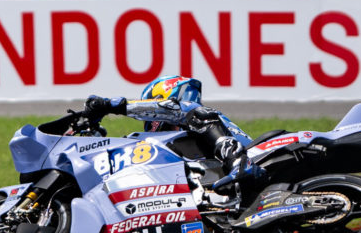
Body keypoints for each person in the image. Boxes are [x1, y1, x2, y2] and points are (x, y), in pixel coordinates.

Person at [83, 75, 266, 194]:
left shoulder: (189, 110)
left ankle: (239, 163)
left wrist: (113, 106)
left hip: (256, 156)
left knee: (197, 114)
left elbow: (173, 109)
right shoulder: (180, 144)